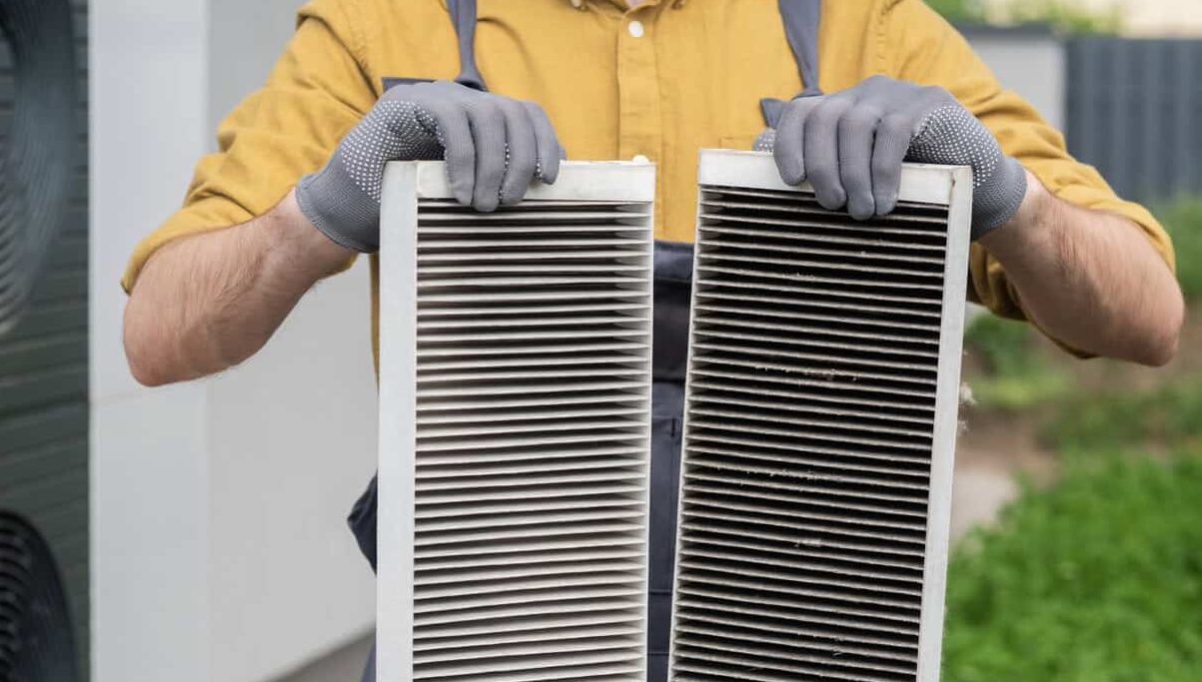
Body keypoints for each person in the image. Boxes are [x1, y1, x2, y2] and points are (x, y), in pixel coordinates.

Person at [120, 1, 1184, 680]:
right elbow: (161, 331)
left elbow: (1142, 315)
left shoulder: (865, 26)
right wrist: (333, 199)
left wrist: (994, 187)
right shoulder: (382, 28)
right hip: (485, 636)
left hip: (804, 634)